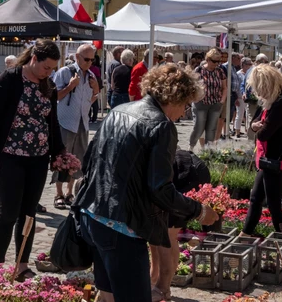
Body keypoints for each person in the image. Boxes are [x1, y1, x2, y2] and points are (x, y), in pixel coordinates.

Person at [74, 63, 218, 302]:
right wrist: (200, 211)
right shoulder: (162, 125)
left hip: (93, 217)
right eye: (185, 105)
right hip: (121, 228)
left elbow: (89, 162)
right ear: (175, 97)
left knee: (107, 296)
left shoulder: (119, 110)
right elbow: (160, 188)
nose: (184, 112)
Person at [0, 39, 65, 281]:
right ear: (33, 59)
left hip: (37, 159)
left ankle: (21, 265)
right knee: (8, 213)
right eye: (46, 67)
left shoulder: (48, 86)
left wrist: (59, 152)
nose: (48, 73)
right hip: (9, 157)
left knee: (29, 214)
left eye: (52, 69)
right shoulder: (9, 79)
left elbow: (52, 122)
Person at [242, 64, 282, 236]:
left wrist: (257, 128)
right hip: (268, 160)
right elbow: (255, 123)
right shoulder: (272, 101)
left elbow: (263, 135)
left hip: (277, 161)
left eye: (260, 88)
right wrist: (255, 126)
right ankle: (246, 234)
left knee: (273, 205)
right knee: (255, 198)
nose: (258, 93)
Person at [149, 150, 211, 301]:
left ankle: (163, 288)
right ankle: (153, 279)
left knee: (168, 233)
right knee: (154, 230)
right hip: (174, 174)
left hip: (189, 175)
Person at [51, 44, 99, 211]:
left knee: (77, 159)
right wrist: (70, 87)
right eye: (87, 59)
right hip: (65, 121)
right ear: (77, 57)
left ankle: (70, 192)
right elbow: (54, 96)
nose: (90, 62)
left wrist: (96, 90)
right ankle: (58, 194)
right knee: (61, 159)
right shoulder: (65, 72)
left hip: (82, 123)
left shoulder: (91, 75)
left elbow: (88, 102)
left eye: (92, 59)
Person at [189, 49, 228, 150]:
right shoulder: (199, 70)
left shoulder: (220, 71)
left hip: (215, 103)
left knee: (211, 129)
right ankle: (191, 147)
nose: (216, 64)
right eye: (214, 61)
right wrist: (195, 99)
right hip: (201, 103)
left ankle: (208, 152)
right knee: (199, 127)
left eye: (218, 61)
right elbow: (192, 86)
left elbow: (224, 87)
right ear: (208, 60)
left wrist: (222, 101)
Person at [218, 52, 241, 140]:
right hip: (227, 94)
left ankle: (225, 133)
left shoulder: (234, 68)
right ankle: (221, 134)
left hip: (233, 94)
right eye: (238, 59)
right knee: (223, 115)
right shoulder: (225, 67)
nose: (240, 61)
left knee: (229, 115)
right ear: (233, 58)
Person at [233, 57, 253, 139]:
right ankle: (237, 131)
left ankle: (248, 130)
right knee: (240, 114)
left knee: (248, 115)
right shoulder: (238, 74)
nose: (250, 66)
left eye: (251, 64)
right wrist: (236, 98)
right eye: (249, 64)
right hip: (240, 97)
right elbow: (237, 86)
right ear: (244, 65)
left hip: (248, 98)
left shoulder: (250, 73)